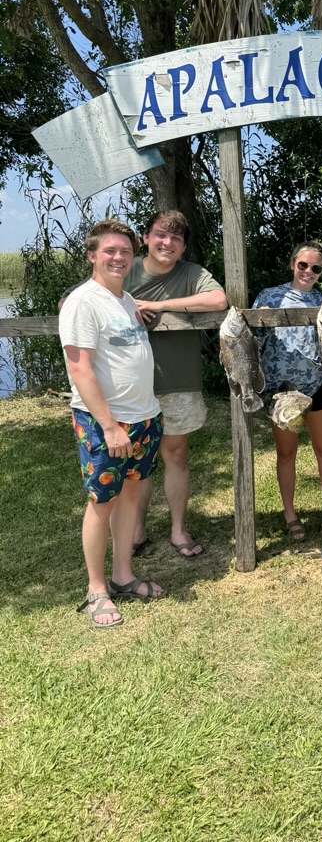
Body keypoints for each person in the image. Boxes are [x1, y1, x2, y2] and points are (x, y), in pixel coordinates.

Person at [62, 210, 228, 559]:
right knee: (137, 468)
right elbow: (71, 301)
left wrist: (158, 305)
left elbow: (218, 301)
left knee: (174, 455)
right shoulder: (122, 267)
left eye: (176, 239)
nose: (167, 243)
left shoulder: (192, 273)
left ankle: (178, 529)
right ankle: (134, 533)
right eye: (160, 236)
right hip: (125, 394)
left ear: (183, 247)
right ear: (147, 239)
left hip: (177, 382)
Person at [59, 219, 166, 629]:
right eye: (110, 251)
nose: (119, 258)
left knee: (131, 498)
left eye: (125, 251)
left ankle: (123, 575)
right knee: (101, 504)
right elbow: (80, 369)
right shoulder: (83, 302)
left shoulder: (124, 299)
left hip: (144, 417)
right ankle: (97, 589)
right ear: (92, 255)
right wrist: (108, 425)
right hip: (108, 422)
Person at [253, 241, 322, 542]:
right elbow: (253, 339)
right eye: (303, 265)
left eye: (315, 268)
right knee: (286, 453)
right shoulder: (269, 296)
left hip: (318, 386)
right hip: (282, 391)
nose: (308, 271)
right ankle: (290, 514)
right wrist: (259, 318)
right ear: (293, 264)